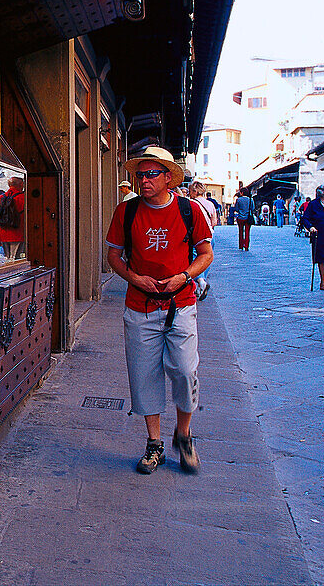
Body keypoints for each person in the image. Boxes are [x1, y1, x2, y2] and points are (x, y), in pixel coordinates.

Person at [106, 146, 212, 475]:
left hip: (180, 304)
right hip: (140, 306)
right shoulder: (127, 212)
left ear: (168, 178)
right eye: (140, 174)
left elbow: (205, 254)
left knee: (184, 370)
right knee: (144, 376)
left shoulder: (189, 209)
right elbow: (113, 256)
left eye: (151, 174)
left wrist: (185, 275)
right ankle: (154, 444)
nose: (143, 180)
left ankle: (184, 433)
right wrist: (133, 276)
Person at [188, 180, 217, 301]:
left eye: (190, 191)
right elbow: (214, 222)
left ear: (194, 191)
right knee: (206, 258)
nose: (189, 194)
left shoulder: (190, 203)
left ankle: (200, 282)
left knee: (195, 258)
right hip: (211, 235)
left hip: (196, 236)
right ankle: (202, 281)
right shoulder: (210, 204)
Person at [0, 176, 26, 258]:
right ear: (21, 184)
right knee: (18, 260)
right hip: (19, 234)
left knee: (7, 259)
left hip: (3, 234)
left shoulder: (0, 198)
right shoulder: (24, 198)